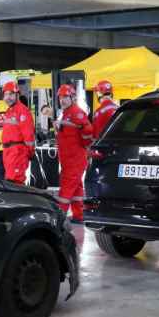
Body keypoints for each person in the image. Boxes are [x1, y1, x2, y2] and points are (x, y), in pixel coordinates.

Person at [55, 85, 94, 223]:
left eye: (65, 97)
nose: (62, 100)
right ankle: (79, 215)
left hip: (75, 160)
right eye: (60, 97)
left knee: (65, 190)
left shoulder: (77, 113)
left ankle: (58, 219)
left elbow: (88, 133)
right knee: (76, 188)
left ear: (72, 98)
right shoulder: (66, 113)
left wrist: (84, 147)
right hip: (69, 160)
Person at [0, 81, 35, 184]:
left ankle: (20, 200)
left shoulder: (23, 111)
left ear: (17, 95)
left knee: (16, 182)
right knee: (11, 182)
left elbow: (29, 135)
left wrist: (30, 152)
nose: (8, 97)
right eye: (6, 94)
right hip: (9, 153)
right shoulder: (9, 111)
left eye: (11, 94)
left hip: (18, 153)